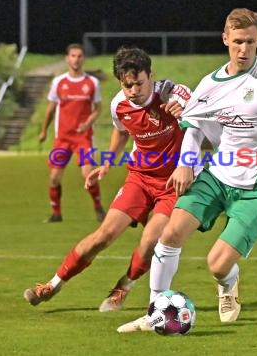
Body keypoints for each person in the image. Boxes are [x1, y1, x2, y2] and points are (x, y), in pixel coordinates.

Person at [117, 8, 257, 333]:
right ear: (226, 39)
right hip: (217, 177)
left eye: (251, 42)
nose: (244, 49)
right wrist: (186, 164)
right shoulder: (209, 85)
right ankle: (155, 310)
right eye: (238, 41)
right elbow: (195, 129)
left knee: (217, 263)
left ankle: (227, 283)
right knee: (169, 234)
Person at [24, 46, 190, 312]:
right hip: (139, 178)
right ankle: (52, 285)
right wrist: (106, 165)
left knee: (150, 240)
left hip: (172, 184)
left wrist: (186, 108)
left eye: (139, 83)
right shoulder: (118, 105)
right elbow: (122, 133)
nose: (134, 90)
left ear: (151, 75)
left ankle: (123, 286)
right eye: (128, 85)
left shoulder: (171, 93)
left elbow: (198, 110)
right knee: (103, 235)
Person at [39, 43, 105, 223]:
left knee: (88, 174)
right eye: (73, 56)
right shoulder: (58, 82)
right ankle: (56, 213)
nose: (76, 59)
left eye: (79, 56)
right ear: (67, 58)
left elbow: (98, 108)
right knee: (54, 178)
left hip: (83, 137)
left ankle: (99, 208)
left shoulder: (92, 83)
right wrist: (44, 130)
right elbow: (51, 109)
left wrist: (88, 122)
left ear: (83, 59)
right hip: (63, 138)